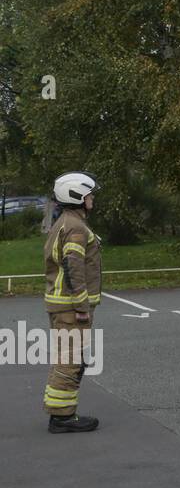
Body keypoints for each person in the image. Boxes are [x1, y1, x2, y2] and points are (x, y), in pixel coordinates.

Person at [43, 172, 103, 433]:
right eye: (89, 193)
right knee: (70, 361)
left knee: (69, 358)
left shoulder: (67, 222)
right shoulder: (76, 227)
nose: (92, 198)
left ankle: (62, 412)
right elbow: (73, 267)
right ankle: (62, 418)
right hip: (70, 307)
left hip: (62, 305)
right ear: (77, 195)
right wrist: (81, 307)